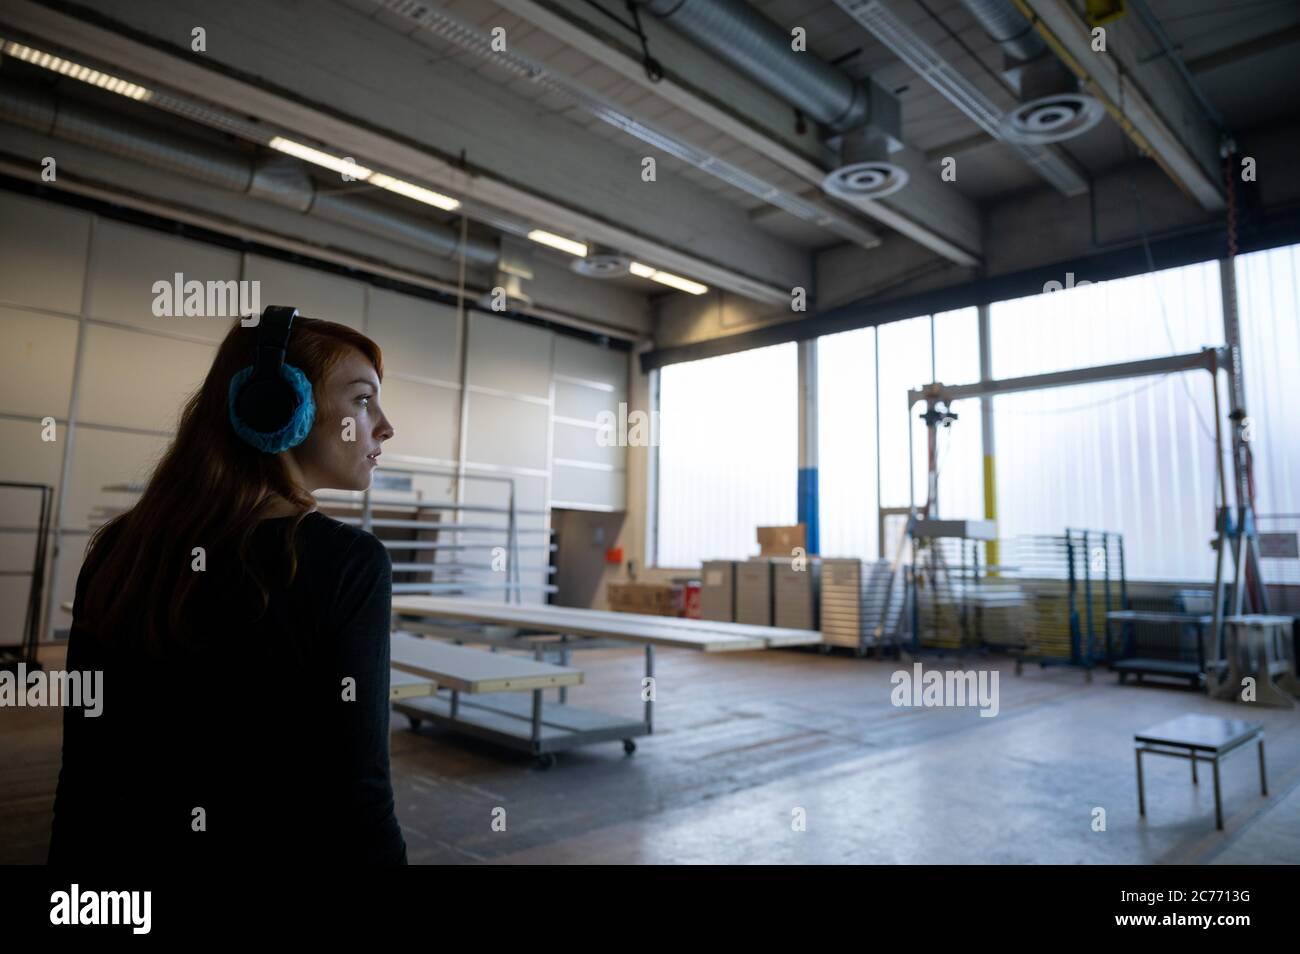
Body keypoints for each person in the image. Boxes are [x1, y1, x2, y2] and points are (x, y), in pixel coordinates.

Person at [48, 308, 406, 865]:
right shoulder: (349, 564)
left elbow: (86, 770)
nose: (385, 426)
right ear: (278, 406)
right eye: (362, 400)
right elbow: (359, 791)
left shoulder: (122, 547)